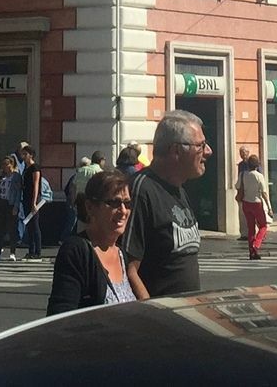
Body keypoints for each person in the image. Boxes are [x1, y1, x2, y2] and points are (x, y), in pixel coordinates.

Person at [123, 112, 206, 298]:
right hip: (158, 319)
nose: (208, 151)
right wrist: (152, 312)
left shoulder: (179, 189)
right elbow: (128, 268)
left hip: (186, 316)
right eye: (200, 146)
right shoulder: (141, 190)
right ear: (176, 151)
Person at [48, 170, 145, 312]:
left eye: (127, 203)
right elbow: (61, 317)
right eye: (114, 203)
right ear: (90, 207)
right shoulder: (77, 251)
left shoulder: (121, 254)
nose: (123, 211)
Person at [237, 152, 273, 259]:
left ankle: (252, 253)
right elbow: (264, 193)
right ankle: (255, 246)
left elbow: (237, 186)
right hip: (257, 203)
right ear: (257, 165)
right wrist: (269, 207)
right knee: (263, 226)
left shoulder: (242, 174)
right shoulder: (259, 176)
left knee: (251, 228)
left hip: (246, 203)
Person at [18, 140, 48, 261]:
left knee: (35, 225)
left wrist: (34, 202)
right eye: (22, 154)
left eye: (25, 154)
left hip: (33, 199)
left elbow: (36, 185)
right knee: (29, 226)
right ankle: (31, 250)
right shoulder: (26, 168)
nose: (23, 157)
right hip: (25, 198)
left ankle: (38, 251)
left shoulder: (35, 168)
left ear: (30, 155)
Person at [0, 154, 22, 262]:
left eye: (6, 164)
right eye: (3, 164)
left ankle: (12, 252)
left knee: (12, 229)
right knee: (0, 229)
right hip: (1, 202)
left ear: (11, 164)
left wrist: (16, 206)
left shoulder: (16, 176)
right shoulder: (2, 176)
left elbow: (18, 192)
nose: (4, 167)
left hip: (10, 203)